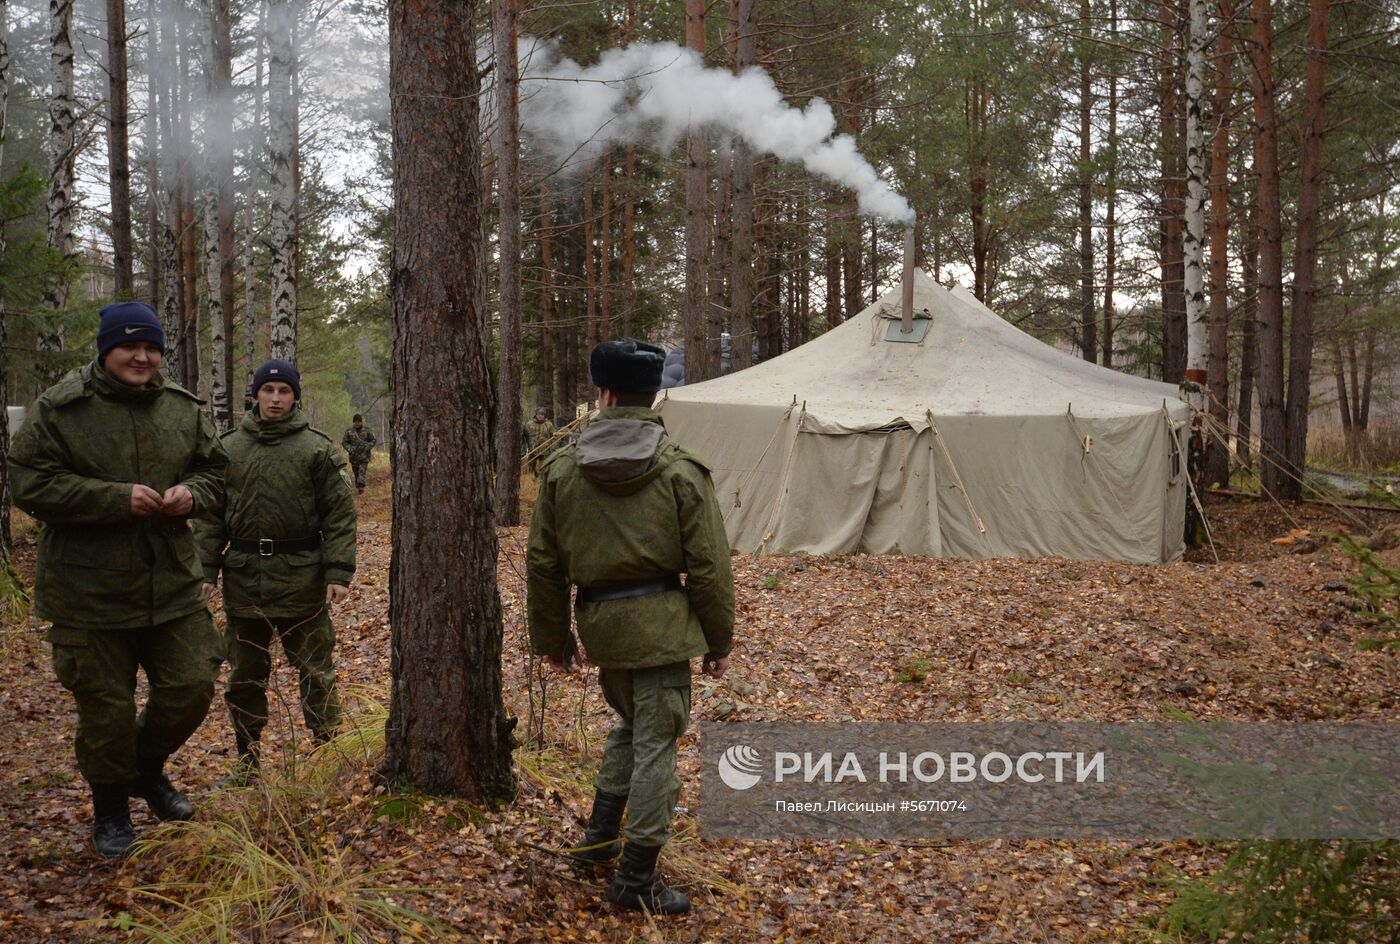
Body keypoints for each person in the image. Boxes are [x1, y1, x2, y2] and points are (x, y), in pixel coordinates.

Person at [9, 301, 228, 859]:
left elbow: (217, 473)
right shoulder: (62, 408)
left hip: (171, 583)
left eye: (152, 347)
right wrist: (113, 498)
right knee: (106, 710)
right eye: (130, 346)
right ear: (106, 349)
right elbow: (30, 484)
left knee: (193, 685)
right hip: (90, 593)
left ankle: (144, 770)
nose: (142, 356)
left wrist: (194, 494)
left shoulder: (182, 409)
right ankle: (111, 811)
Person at [527, 339, 735, 915]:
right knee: (656, 748)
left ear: (605, 394)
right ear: (652, 397)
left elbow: (543, 563)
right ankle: (636, 881)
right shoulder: (680, 470)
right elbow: (710, 566)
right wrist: (720, 641)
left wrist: (554, 642)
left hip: (600, 626)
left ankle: (596, 846)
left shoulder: (561, 469)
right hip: (662, 629)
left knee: (630, 728)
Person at [196, 360, 357, 780]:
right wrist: (204, 570)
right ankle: (247, 763)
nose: (275, 399)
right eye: (268, 391)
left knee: (316, 672)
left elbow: (339, 516)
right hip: (245, 578)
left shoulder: (317, 449)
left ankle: (328, 760)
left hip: (303, 577)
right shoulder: (229, 448)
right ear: (256, 395)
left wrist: (338, 572)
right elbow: (211, 517)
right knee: (245, 676)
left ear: (294, 396)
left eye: (283, 391)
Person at [340, 413, 376, 493]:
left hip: (364, 457)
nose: (357, 423)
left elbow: (373, 440)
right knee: (356, 473)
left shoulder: (367, 431)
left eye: (359, 422)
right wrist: (350, 449)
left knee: (362, 472)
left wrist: (368, 447)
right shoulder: (349, 432)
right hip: (354, 457)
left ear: (361, 422)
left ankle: (361, 486)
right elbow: (344, 442)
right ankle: (358, 485)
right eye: (355, 422)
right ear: (353, 422)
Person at [524, 407, 556, 475]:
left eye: (542, 414)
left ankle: (541, 482)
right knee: (531, 470)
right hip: (532, 450)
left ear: (545, 415)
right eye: (539, 414)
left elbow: (554, 436)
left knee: (543, 469)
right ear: (536, 414)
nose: (540, 416)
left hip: (545, 450)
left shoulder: (549, 425)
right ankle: (532, 482)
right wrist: (527, 447)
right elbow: (525, 436)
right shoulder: (529, 424)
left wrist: (551, 446)